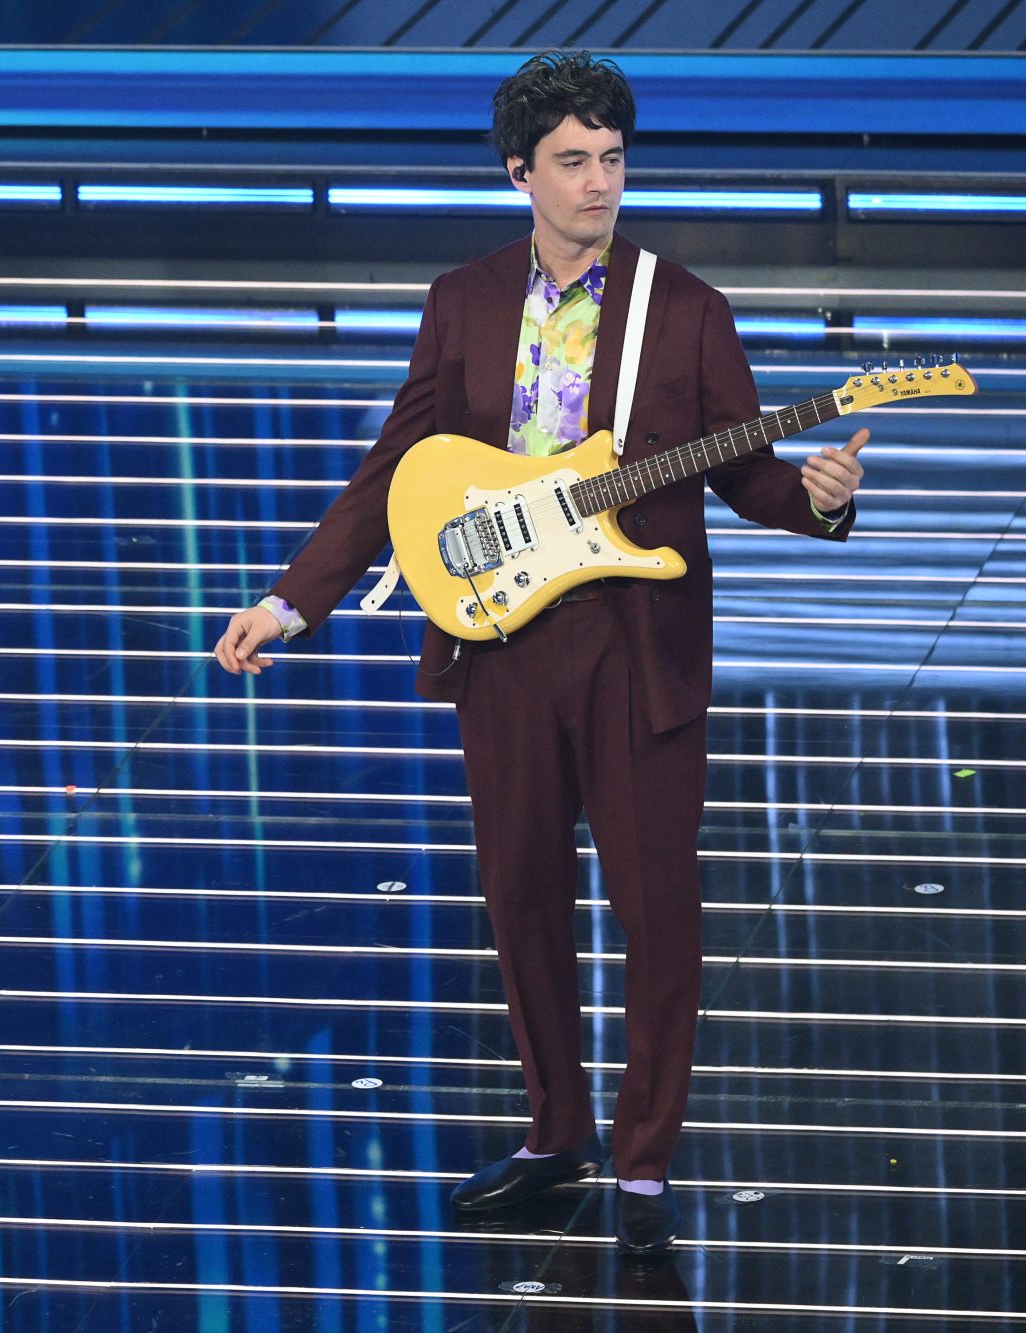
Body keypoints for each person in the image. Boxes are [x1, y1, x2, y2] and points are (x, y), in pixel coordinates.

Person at [212, 51, 866, 1256]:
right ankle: (554, 1129)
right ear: (519, 172)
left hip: (636, 646)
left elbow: (743, 472)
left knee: (655, 908)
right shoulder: (460, 300)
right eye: (571, 162)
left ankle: (644, 1161)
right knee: (519, 897)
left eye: (611, 159)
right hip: (499, 642)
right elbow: (393, 472)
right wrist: (292, 599)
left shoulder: (684, 307)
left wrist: (818, 500)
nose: (597, 182)